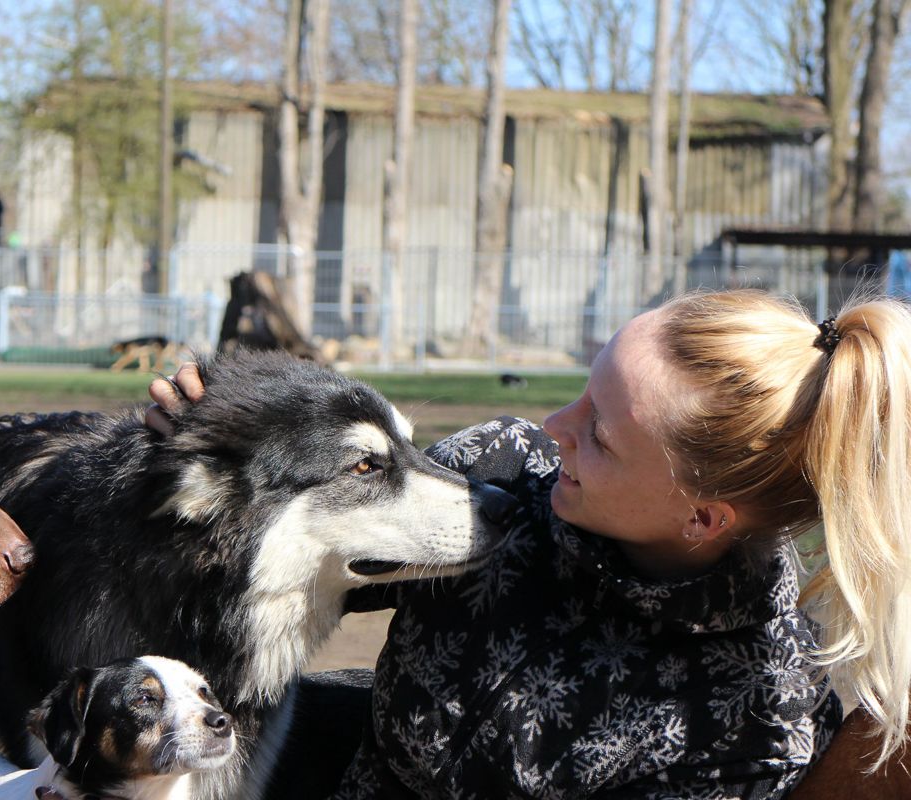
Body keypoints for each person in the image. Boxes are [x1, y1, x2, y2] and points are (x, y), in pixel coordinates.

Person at [147, 289, 911, 799]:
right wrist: (226, 450)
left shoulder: (755, 721)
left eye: (600, 435)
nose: (554, 427)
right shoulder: (504, 468)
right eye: (585, 390)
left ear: (702, 520)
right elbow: (287, 559)